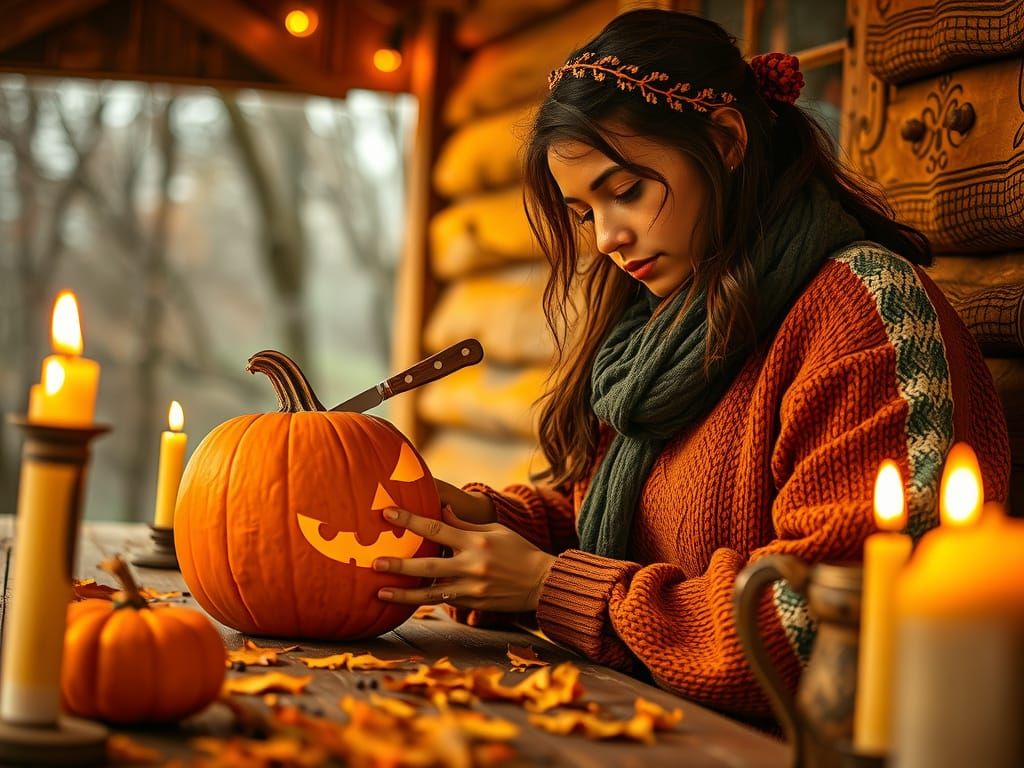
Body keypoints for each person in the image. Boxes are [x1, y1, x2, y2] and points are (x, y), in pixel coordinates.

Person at [373, 9, 1010, 723]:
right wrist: (486, 522)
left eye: (626, 191)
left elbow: (826, 625)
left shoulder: (859, 314)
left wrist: (553, 586)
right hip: (635, 723)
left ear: (726, 140)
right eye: (584, 212)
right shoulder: (658, 325)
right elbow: (615, 528)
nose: (609, 237)